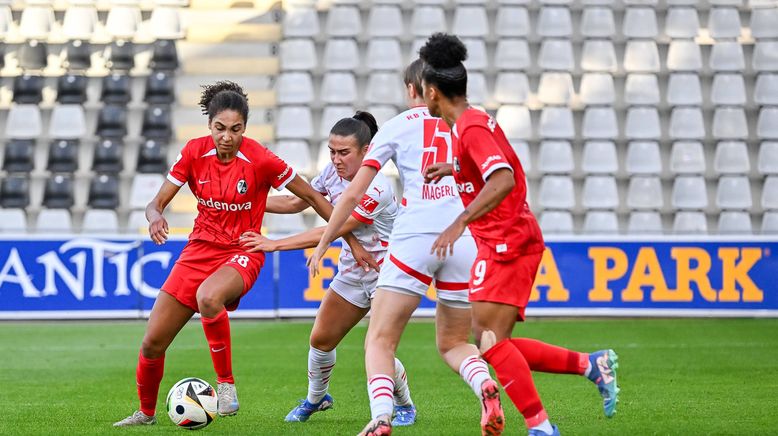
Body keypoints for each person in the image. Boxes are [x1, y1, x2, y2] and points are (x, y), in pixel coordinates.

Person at [114, 81, 377, 427]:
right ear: (209, 126)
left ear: (245, 129)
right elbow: (155, 203)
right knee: (152, 343)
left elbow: (312, 199)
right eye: (220, 128)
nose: (227, 136)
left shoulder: (261, 159)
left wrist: (352, 243)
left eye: (236, 129)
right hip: (198, 250)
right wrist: (155, 217)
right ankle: (145, 414)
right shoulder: (193, 152)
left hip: (244, 250)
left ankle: (226, 386)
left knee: (209, 297)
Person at [418, 34, 620, 436]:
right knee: (494, 341)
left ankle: (541, 426)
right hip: (504, 239)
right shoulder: (470, 125)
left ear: (432, 92)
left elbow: (504, 178)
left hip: (507, 240)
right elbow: (487, 167)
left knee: (489, 341)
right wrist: (452, 169)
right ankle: (588, 365)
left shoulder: (471, 128)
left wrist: (459, 222)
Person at [307, 60, 503, 436]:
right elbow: (497, 178)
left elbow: (352, 194)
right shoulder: (473, 123)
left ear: (414, 89)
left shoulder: (397, 126)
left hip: (415, 236)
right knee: (454, 342)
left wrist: (323, 243)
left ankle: (382, 417)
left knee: (379, 339)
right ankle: (483, 385)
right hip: (462, 237)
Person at [240, 111, 418, 426]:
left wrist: (275, 243)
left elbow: (334, 228)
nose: (336, 160)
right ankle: (316, 398)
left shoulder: (377, 187)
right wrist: (248, 199)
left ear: (367, 151)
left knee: (376, 344)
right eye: (332, 151)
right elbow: (298, 203)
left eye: (344, 152)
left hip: (387, 273)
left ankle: (404, 405)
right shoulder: (332, 174)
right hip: (352, 269)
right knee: (321, 340)